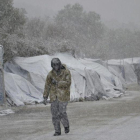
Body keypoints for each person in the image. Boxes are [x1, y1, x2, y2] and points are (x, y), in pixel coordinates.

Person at [43, 58, 71, 136]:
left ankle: (66, 126)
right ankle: (57, 130)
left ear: (60, 64)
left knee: (62, 113)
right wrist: (45, 97)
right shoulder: (50, 74)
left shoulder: (66, 72)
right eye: (54, 65)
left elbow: (68, 83)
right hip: (54, 96)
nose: (56, 66)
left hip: (63, 96)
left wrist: (58, 83)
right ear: (52, 65)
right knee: (54, 114)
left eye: (57, 64)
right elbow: (47, 86)